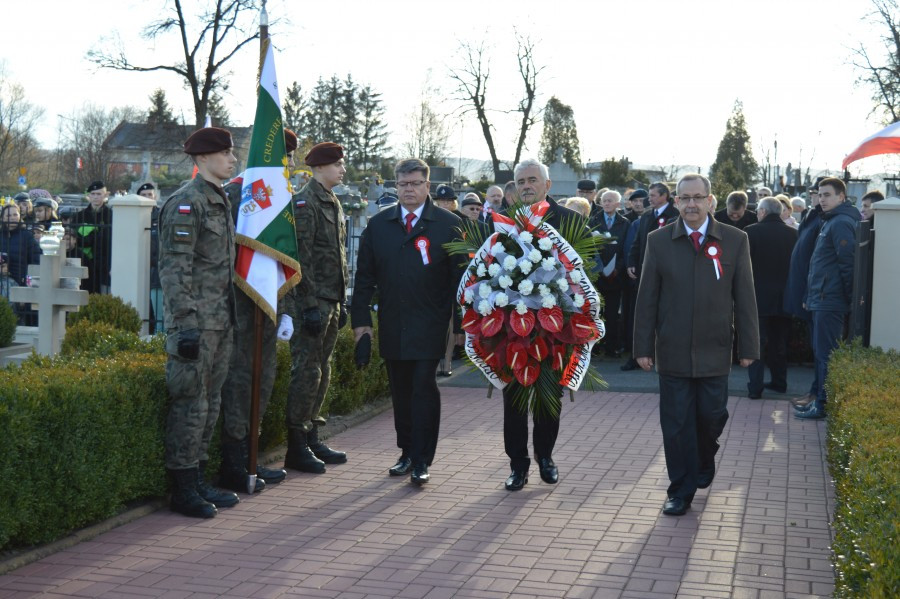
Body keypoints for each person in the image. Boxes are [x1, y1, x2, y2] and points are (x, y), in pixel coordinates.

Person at [634, 173, 758, 516]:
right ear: (676, 202)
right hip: (672, 349)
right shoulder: (658, 241)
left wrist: (748, 347)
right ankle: (680, 489)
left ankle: (705, 455)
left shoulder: (735, 240)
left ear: (709, 200)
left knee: (711, 417)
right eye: (684, 198)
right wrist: (643, 346)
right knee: (675, 424)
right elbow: (647, 298)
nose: (691, 204)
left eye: (697, 197)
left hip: (715, 349)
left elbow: (745, 297)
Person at [351, 158, 463, 486]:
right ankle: (406, 452)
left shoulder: (448, 223)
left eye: (415, 183)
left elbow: (461, 279)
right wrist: (361, 322)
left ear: (427, 186)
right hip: (392, 320)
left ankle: (422, 458)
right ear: (395, 186)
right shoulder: (380, 224)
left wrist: (460, 326)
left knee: (423, 388)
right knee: (400, 391)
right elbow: (365, 278)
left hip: (430, 322)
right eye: (403, 184)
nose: (409, 190)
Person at [158, 126, 239, 518]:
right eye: (226, 154)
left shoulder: (218, 199)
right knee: (190, 404)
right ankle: (183, 487)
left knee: (211, 403)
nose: (233, 159)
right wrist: (186, 322)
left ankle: (200, 477)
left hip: (220, 321)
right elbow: (175, 267)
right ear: (203, 158)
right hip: (196, 324)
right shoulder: (187, 203)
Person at [217, 130, 298, 490]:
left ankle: (253, 457)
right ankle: (235, 463)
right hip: (238, 308)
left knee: (262, 382)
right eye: (286, 156)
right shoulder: (237, 193)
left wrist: (287, 309)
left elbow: (285, 261)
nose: (291, 164)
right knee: (239, 383)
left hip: (266, 307)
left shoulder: (281, 197)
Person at [502, 158, 585, 491]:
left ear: (547, 185)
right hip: (511, 329)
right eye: (520, 181)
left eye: (532, 180)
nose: (526, 186)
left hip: (556, 329)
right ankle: (517, 465)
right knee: (515, 399)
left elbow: (585, 274)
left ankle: (545, 456)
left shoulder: (570, 221)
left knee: (550, 397)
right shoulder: (501, 223)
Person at [284, 141, 350, 474]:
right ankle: (295, 444)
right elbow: (302, 258)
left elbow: (336, 254)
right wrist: (308, 304)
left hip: (331, 299)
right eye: (337, 164)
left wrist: (342, 297)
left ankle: (312, 435)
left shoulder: (332, 200)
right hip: (311, 302)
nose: (342, 169)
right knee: (307, 371)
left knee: (322, 369)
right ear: (319, 167)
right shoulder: (305, 202)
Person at [795, 178, 860, 420]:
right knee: (822, 353)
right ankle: (821, 402)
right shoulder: (831, 220)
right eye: (820, 194)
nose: (822, 199)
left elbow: (848, 264)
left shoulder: (840, 222)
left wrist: (851, 300)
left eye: (827, 195)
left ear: (841, 197)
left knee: (826, 356)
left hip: (830, 301)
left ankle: (823, 405)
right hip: (822, 299)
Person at [744, 198, 798, 399]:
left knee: (755, 344)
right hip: (785, 297)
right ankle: (779, 382)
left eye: (758, 211)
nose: (757, 214)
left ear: (764, 212)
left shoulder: (750, 232)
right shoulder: (794, 234)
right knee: (780, 344)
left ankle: (755, 387)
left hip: (757, 297)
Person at [622, 182, 678, 370]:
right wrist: (631, 262)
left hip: (666, 275)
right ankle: (636, 356)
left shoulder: (675, 215)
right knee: (640, 315)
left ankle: (661, 357)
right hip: (644, 273)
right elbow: (637, 242)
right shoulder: (646, 215)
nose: (649, 199)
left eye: (653, 195)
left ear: (664, 196)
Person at [783, 182, 823, 409]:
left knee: (820, 350)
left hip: (816, 295)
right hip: (806, 292)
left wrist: (809, 293)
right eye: (815, 193)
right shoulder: (812, 216)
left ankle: (818, 395)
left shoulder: (824, 220)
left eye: (819, 194)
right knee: (816, 347)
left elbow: (818, 263)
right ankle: (814, 392)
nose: (816, 197)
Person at [592, 190, 630, 358]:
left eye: (610, 201)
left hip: (616, 276)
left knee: (613, 314)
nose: (606, 203)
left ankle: (611, 347)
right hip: (597, 275)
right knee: (596, 313)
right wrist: (598, 268)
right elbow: (590, 248)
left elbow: (626, 249)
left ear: (617, 204)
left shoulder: (625, 223)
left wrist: (618, 268)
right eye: (604, 200)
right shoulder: (593, 220)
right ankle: (595, 346)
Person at [72, 180, 113, 293]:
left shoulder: (111, 215)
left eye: (99, 194)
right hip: (84, 262)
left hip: (104, 263)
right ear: (88, 196)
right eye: (93, 194)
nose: (95, 197)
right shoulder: (79, 216)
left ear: (105, 195)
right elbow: (73, 238)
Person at [0, 204, 41, 289]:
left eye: (15, 214)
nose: (12, 218)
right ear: (2, 218)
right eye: (8, 215)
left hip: (21, 282)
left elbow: (36, 260)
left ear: (19, 216)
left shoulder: (27, 236)